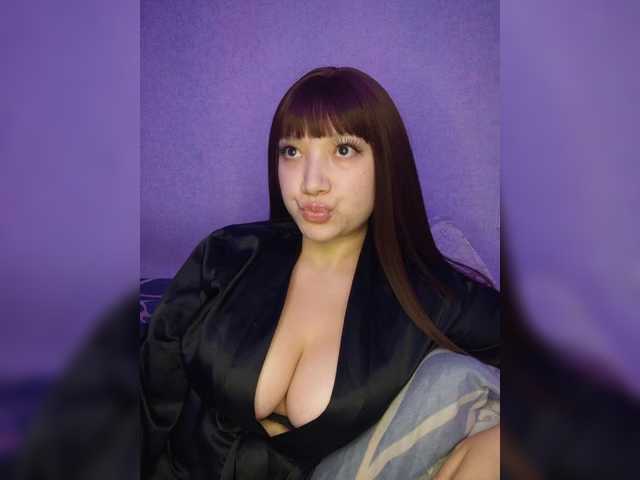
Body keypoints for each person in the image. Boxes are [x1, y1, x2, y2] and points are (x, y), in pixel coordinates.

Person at [141, 66, 500, 479]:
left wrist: (498, 441)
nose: (311, 183)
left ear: (387, 162)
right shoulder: (227, 254)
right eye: (292, 152)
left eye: (343, 150)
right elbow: (150, 392)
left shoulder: (426, 295)